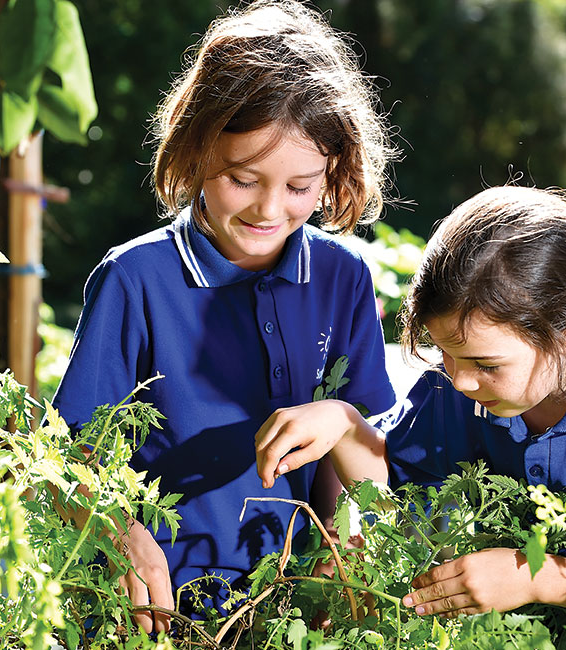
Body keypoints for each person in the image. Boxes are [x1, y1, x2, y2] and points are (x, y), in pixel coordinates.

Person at [255, 186, 566, 632]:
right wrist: (344, 426)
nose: (459, 378)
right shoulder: (459, 392)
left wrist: (539, 578)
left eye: (484, 362)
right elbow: (395, 486)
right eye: (446, 352)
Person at [51, 0, 398, 633]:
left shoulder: (344, 278)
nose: (270, 209)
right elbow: (67, 455)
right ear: (196, 148)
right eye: (243, 178)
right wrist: (118, 531)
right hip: (153, 613)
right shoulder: (136, 280)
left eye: (301, 188)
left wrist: (346, 551)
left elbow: (354, 455)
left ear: (334, 170)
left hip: (288, 613)